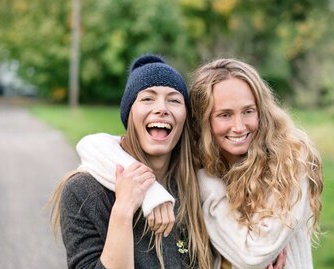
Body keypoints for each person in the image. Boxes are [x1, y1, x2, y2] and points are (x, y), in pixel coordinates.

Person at [75, 58, 320, 269]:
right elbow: (92, 146)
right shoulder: (200, 158)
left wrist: (206, 183)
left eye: (248, 111)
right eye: (224, 115)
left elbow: (253, 253)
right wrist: (151, 192)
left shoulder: (287, 162)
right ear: (203, 121)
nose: (239, 126)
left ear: (261, 111)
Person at [50, 54, 215, 269]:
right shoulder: (84, 190)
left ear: (185, 117)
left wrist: (274, 247)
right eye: (148, 98)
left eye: (174, 100)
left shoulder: (192, 185)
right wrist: (123, 211)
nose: (162, 108)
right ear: (130, 113)